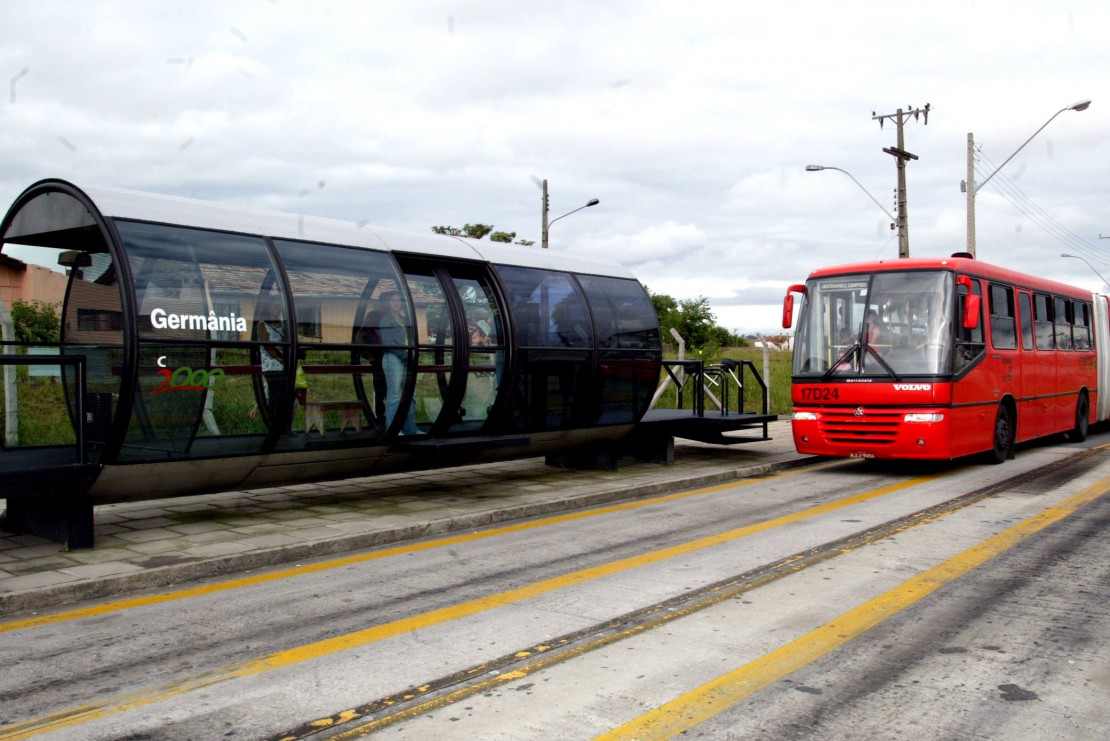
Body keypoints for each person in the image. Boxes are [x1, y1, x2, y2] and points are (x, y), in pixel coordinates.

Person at [378, 291, 420, 435]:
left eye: (399, 300)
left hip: (406, 359)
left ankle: (410, 429)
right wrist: (405, 356)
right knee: (394, 396)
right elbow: (389, 343)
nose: (397, 303)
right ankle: (393, 429)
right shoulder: (385, 321)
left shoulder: (404, 319)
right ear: (389, 303)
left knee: (411, 394)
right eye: (393, 300)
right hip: (393, 358)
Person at [356, 300, 388, 425]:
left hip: (393, 356)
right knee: (380, 387)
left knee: (393, 389)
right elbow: (360, 336)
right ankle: (380, 417)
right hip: (378, 357)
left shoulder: (395, 316)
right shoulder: (373, 316)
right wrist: (368, 354)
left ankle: (391, 416)